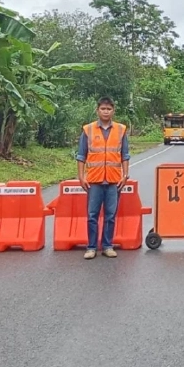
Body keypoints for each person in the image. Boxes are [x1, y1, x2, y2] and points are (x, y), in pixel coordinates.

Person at [76, 96, 130, 259]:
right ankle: (91, 247)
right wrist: (81, 176)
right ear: (97, 110)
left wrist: (125, 175)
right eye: (103, 108)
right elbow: (81, 155)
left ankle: (107, 245)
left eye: (109, 109)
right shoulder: (88, 130)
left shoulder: (121, 129)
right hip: (94, 180)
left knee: (110, 215)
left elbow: (124, 155)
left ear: (113, 111)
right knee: (92, 215)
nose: (106, 111)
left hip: (114, 180)